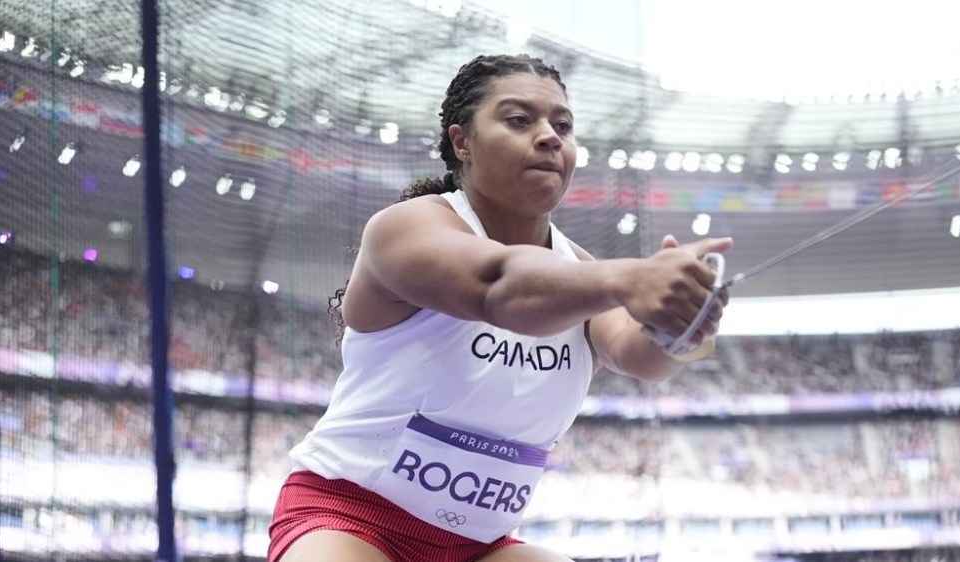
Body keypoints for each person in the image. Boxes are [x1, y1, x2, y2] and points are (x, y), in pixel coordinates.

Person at [268, 53, 732, 562]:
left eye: (563, 125)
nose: (550, 136)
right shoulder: (404, 229)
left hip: (480, 546)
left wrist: (681, 324)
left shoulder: (582, 272)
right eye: (518, 120)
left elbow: (638, 356)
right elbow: (498, 288)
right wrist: (628, 277)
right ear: (461, 141)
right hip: (350, 516)